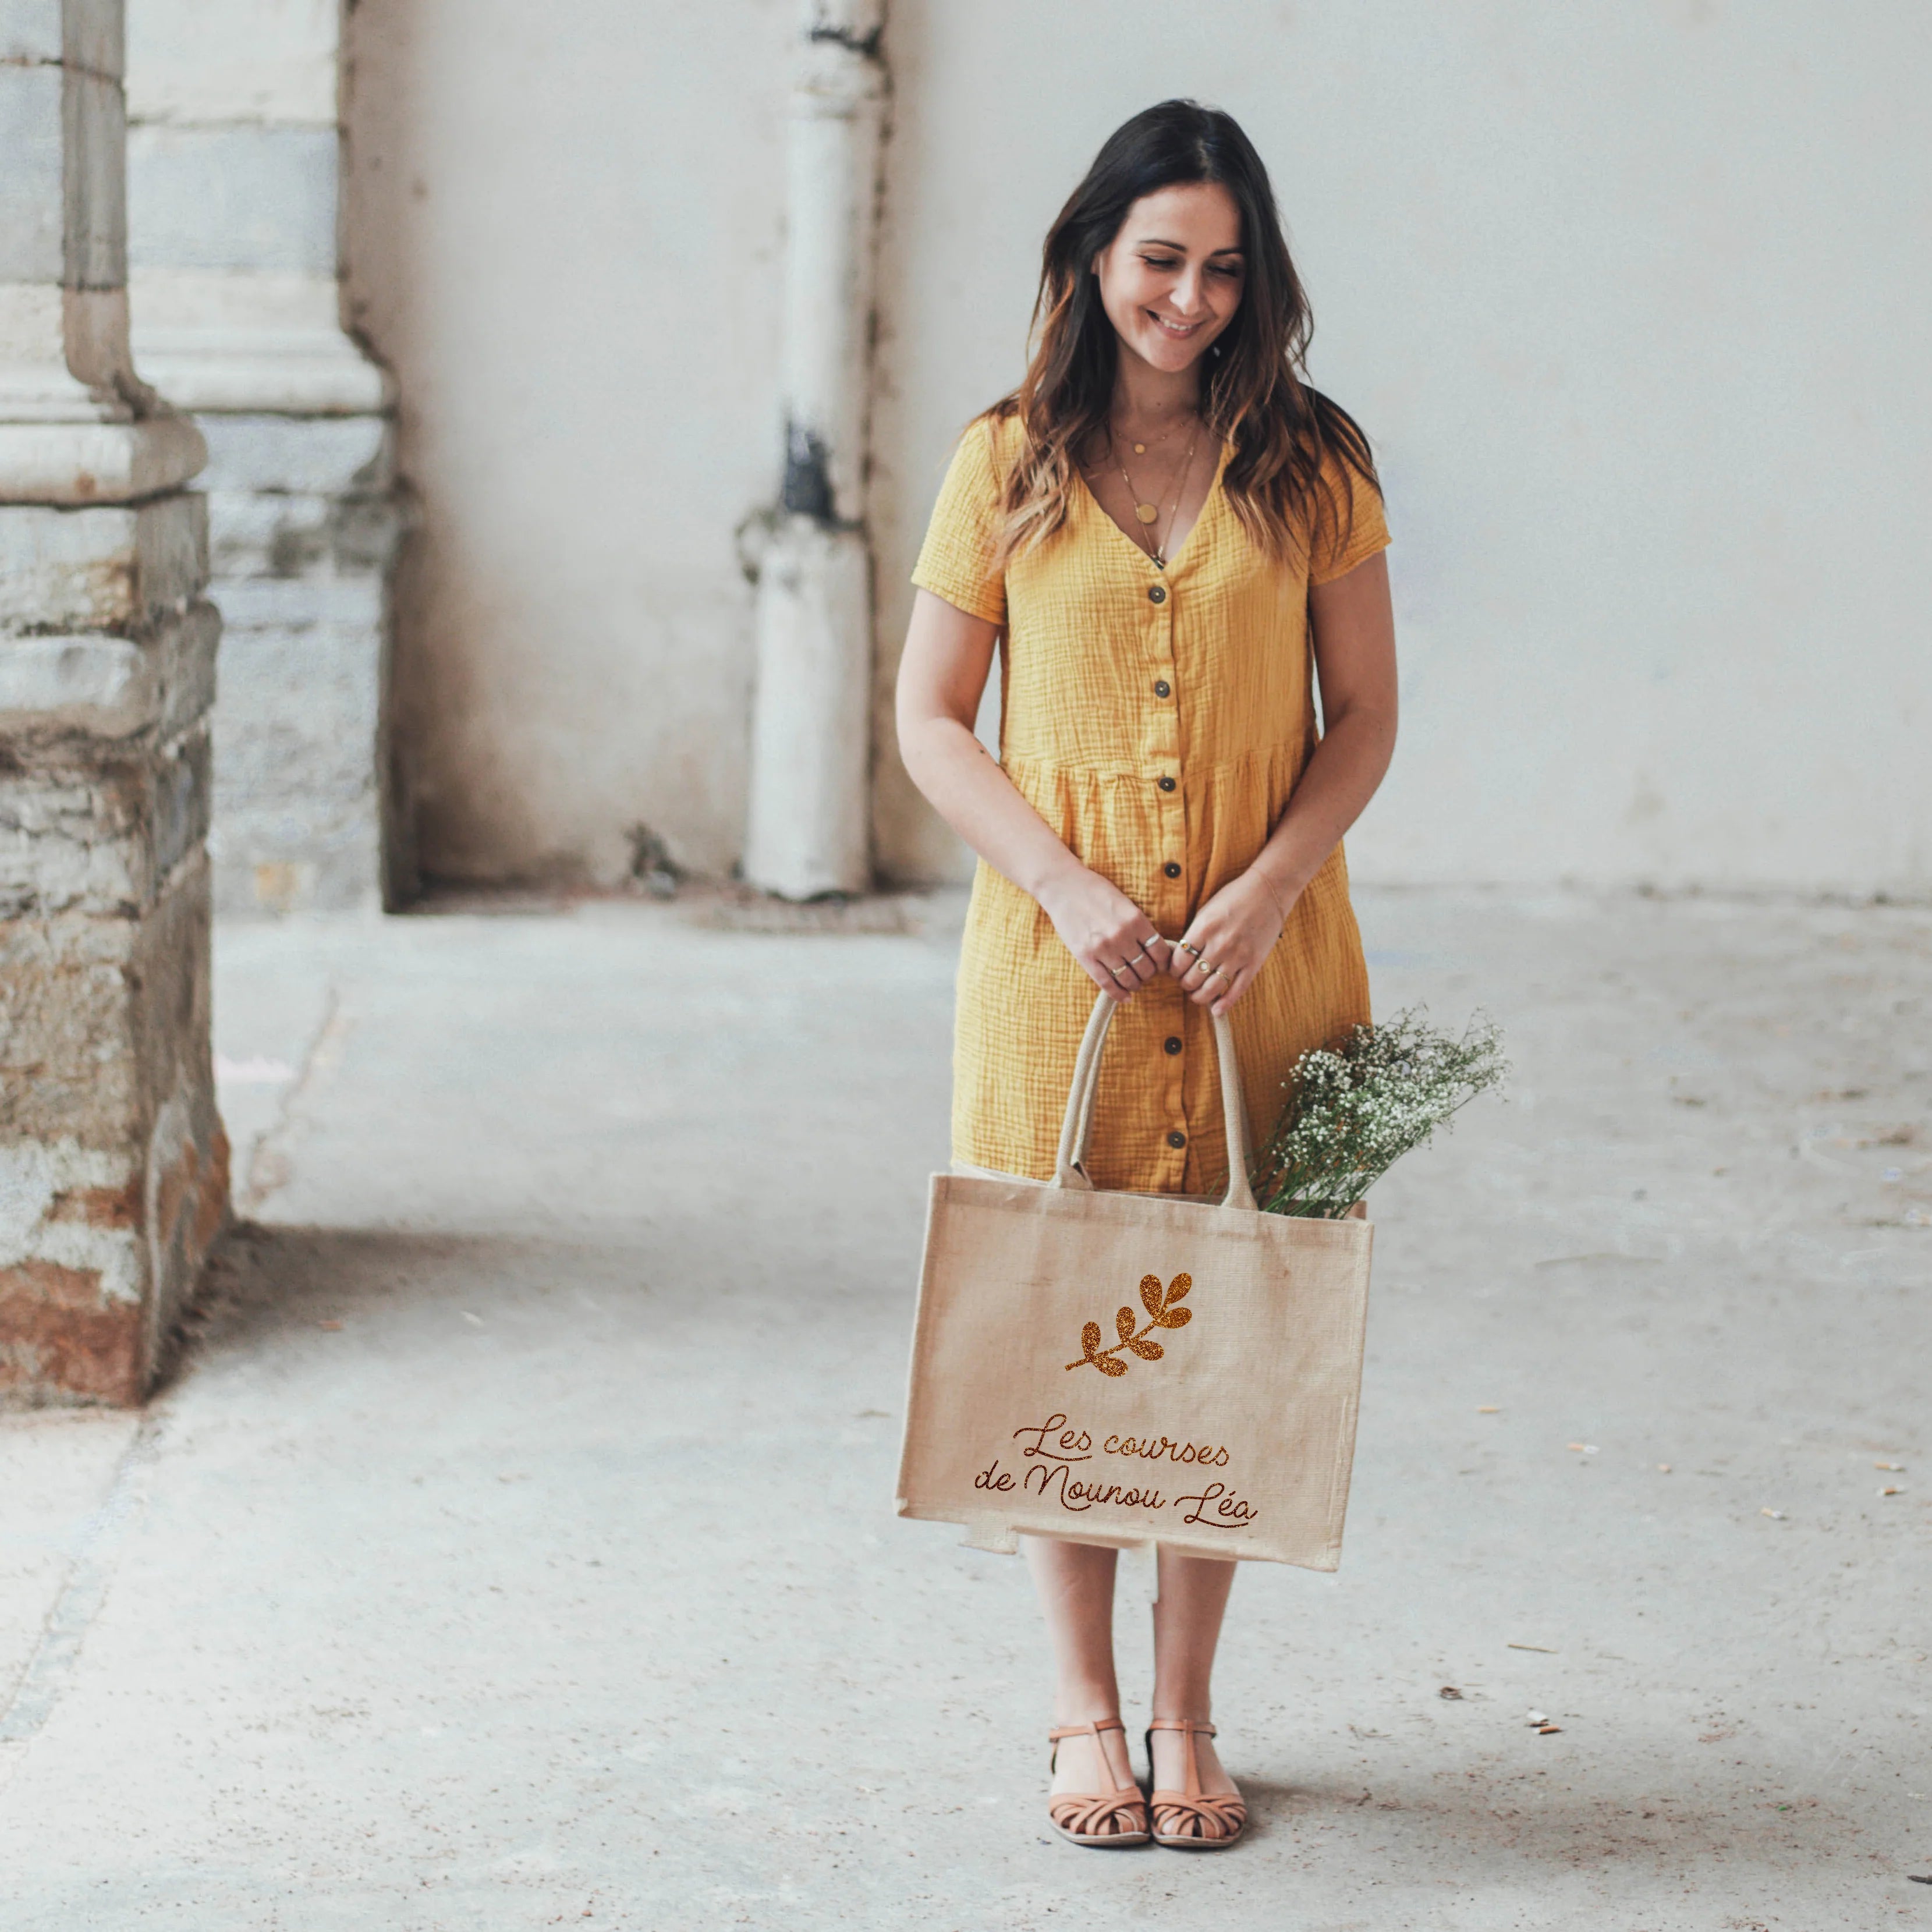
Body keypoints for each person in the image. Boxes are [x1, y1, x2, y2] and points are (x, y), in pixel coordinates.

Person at [894, 99, 1398, 1851]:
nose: (1188, 298)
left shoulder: (1314, 460)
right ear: (1094, 255)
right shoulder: (1006, 458)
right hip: (1062, 974)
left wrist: (1271, 886)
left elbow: (1368, 720)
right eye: (1159, 260)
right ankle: (1082, 1712)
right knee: (1069, 1332)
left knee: (1229, 1334)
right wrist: (1054, 877)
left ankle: (1189, 1718)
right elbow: (928, 719)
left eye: (1223, 268)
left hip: (1265, 964)